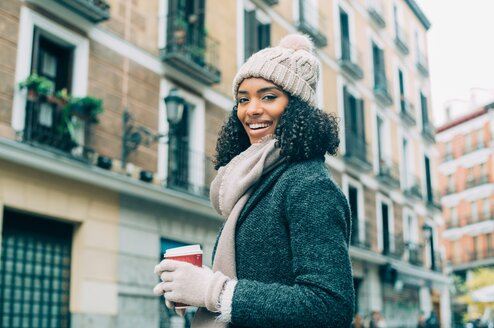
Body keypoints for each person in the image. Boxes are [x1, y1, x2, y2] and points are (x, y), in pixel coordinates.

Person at [153, 33, 355, 327]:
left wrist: (213, 291)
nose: (252, 109)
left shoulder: (309, 184)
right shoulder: (256, 182)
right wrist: (195, 288)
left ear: (296, 106)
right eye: (243, 99)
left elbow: (331, 306)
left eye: (268, 96)